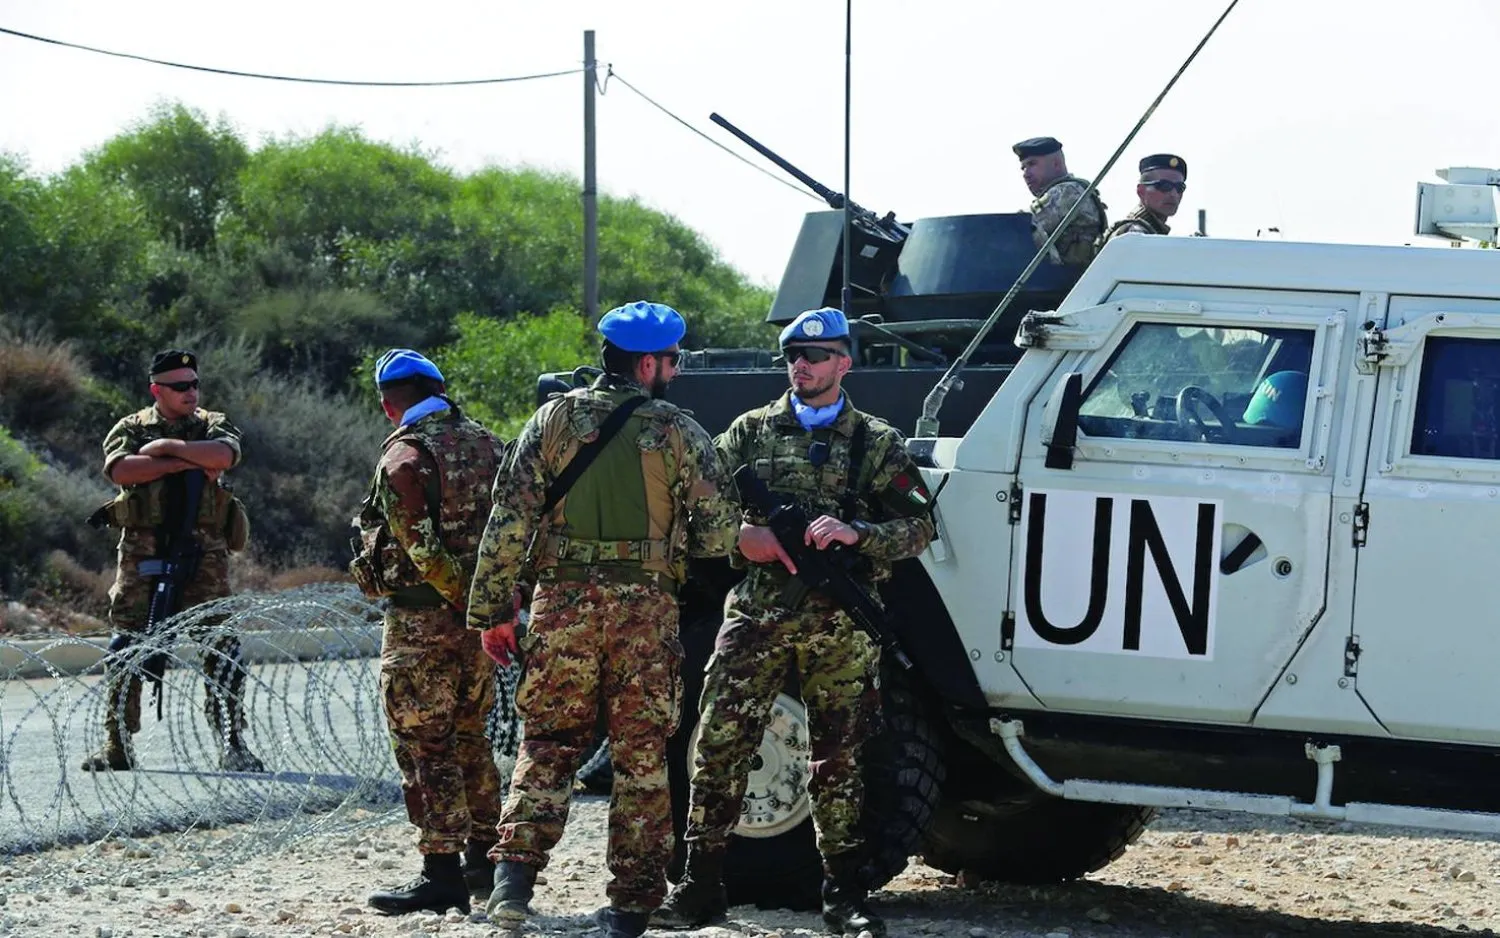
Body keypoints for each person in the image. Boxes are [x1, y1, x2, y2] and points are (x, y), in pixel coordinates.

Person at [654, 307, 936, 938]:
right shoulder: (749, 434)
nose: (801, 366)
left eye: (816, 355)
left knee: (839, 760)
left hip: (839, 624)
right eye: (793, 355)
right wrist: (743, 537)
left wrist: (856, 532)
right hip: (756, 616)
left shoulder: (877, 443)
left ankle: (842, 895)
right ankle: (700, 885)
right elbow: (692, 511)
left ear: (845, 362)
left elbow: (921, 526)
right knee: (720, 744)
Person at [469, 301, 738, 938]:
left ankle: (512, 885)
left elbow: (507, 521)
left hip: (561, 605)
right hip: (645, 611)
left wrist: (491, 612)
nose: (672, 371)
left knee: (549, 742)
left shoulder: (552, 417)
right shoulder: (678, 430)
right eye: (671, 360)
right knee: (641, 754)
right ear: (648, 363)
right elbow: (720, 532)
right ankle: (631, 906)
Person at [350, 349, 510, 916]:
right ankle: (487, 864)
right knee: (471, 737)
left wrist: (463, 598)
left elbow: (420, 550)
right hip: (483, 623)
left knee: (425, 744)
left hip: (423, 621)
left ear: (389, 402)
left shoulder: (405, 455)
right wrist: (490, 606)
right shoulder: (491, 444)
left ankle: (441, 872)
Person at [83, 349, 263, 774]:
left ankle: (233, 743)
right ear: (156, 390)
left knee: (222, 649)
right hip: (143, 552)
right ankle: (118, 745)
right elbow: (123, 470)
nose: (191, 392)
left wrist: (165, 450)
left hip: (205, 556)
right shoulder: (131, 427)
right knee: (126, 647)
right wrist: (186, 461)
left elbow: (223, 457)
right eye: (180, 386)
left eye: (194, 383)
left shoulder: (213, 423)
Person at [1014, 136, 1108, 267]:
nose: (1026, 174)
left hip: (1069, 278)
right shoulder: (1075, 189)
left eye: (1032, 164)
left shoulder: (1066, 191)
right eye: (1023, 168)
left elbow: (1022, 228)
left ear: (1056, 164)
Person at [1100, 153, 1188, 246]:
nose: (1174, 194)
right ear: (1141, 191)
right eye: (1165, 186)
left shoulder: (1151, 233)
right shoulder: (1134, 235)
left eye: (1180, 188)